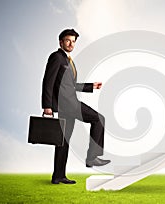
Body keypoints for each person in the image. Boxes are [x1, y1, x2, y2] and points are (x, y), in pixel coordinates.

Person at [42, 28, 110, 184]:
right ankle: (92, 157)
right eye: (68, 40)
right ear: (61, 42)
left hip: (68, 104)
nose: (71, 44)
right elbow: (48, 82)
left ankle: (58, 176)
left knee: (63, 141)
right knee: (98, 119)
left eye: (73, 41)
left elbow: (70, 85)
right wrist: (47, 106)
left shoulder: (67, 60)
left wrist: (90, 86)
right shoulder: (56, 57)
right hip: (68, 104)